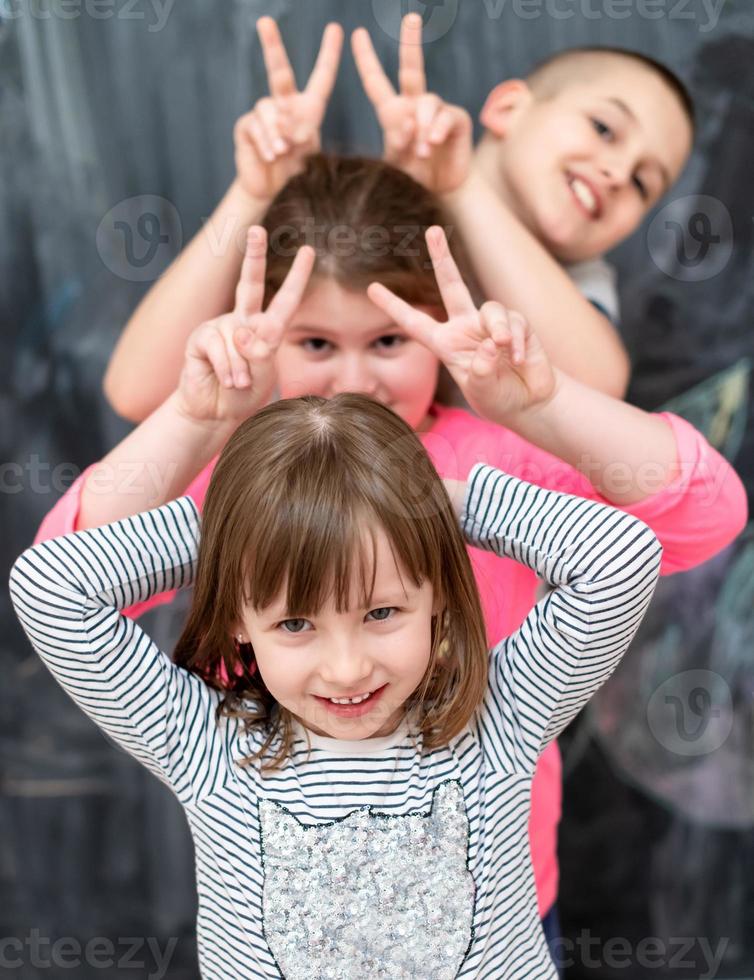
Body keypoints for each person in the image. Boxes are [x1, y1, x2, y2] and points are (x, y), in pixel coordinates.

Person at [33, 214, 747, 965]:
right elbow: (54, 586)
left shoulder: (499, 723)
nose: (347, 670)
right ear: (241, 619)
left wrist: (428, 507)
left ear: (438, 596)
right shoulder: (207, 746)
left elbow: (620, 557)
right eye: (296, 625)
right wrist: (250, 531)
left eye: (381, 613)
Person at [100, 16, 694, 425]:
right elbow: (135, 390)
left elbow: (596, 388)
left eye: (645, 182)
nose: (618, 171)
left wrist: (458, 186)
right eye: (604, 128)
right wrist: (255, 192)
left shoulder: (578, 287)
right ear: (508, 108)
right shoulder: (365, 220)